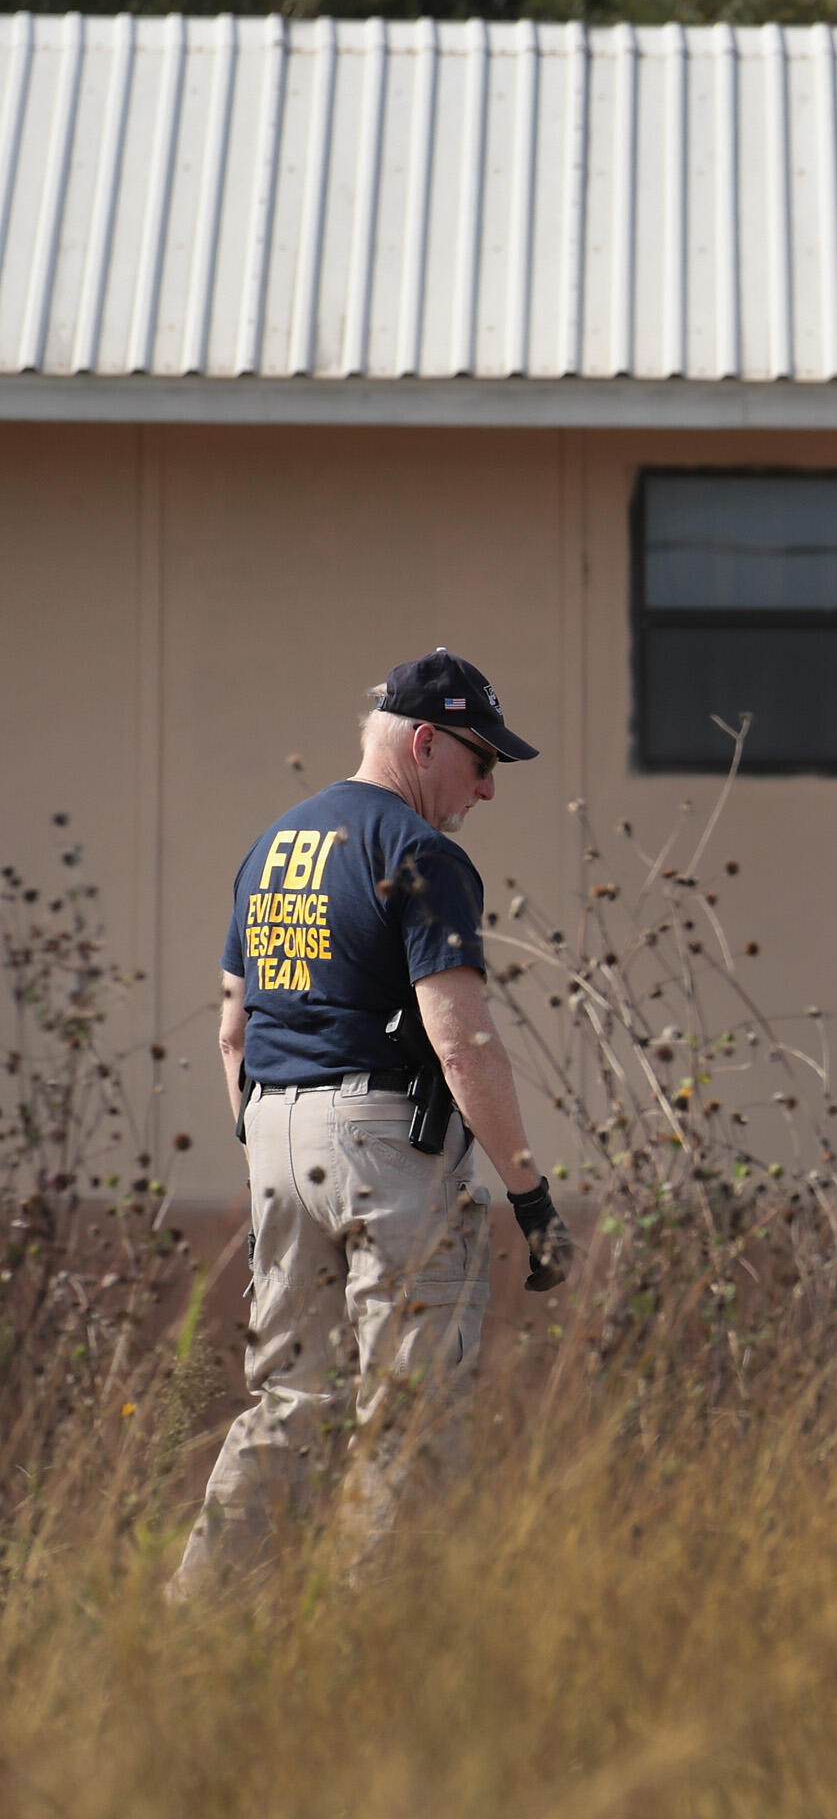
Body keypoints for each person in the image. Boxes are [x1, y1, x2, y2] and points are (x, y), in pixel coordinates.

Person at [171, 650, 574, 1592]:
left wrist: (278, 1142)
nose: (486, 789)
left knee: (289, 1402)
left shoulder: (271, 846)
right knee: (412, 1410)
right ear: (425, 740)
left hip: (272, 1134)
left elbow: (233, 1033)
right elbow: (462, 1041)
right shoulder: (420, 853)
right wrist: (532, 1197)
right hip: (385, 1145)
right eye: (480, 763)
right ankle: (369, 1651)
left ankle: (192, 1630)